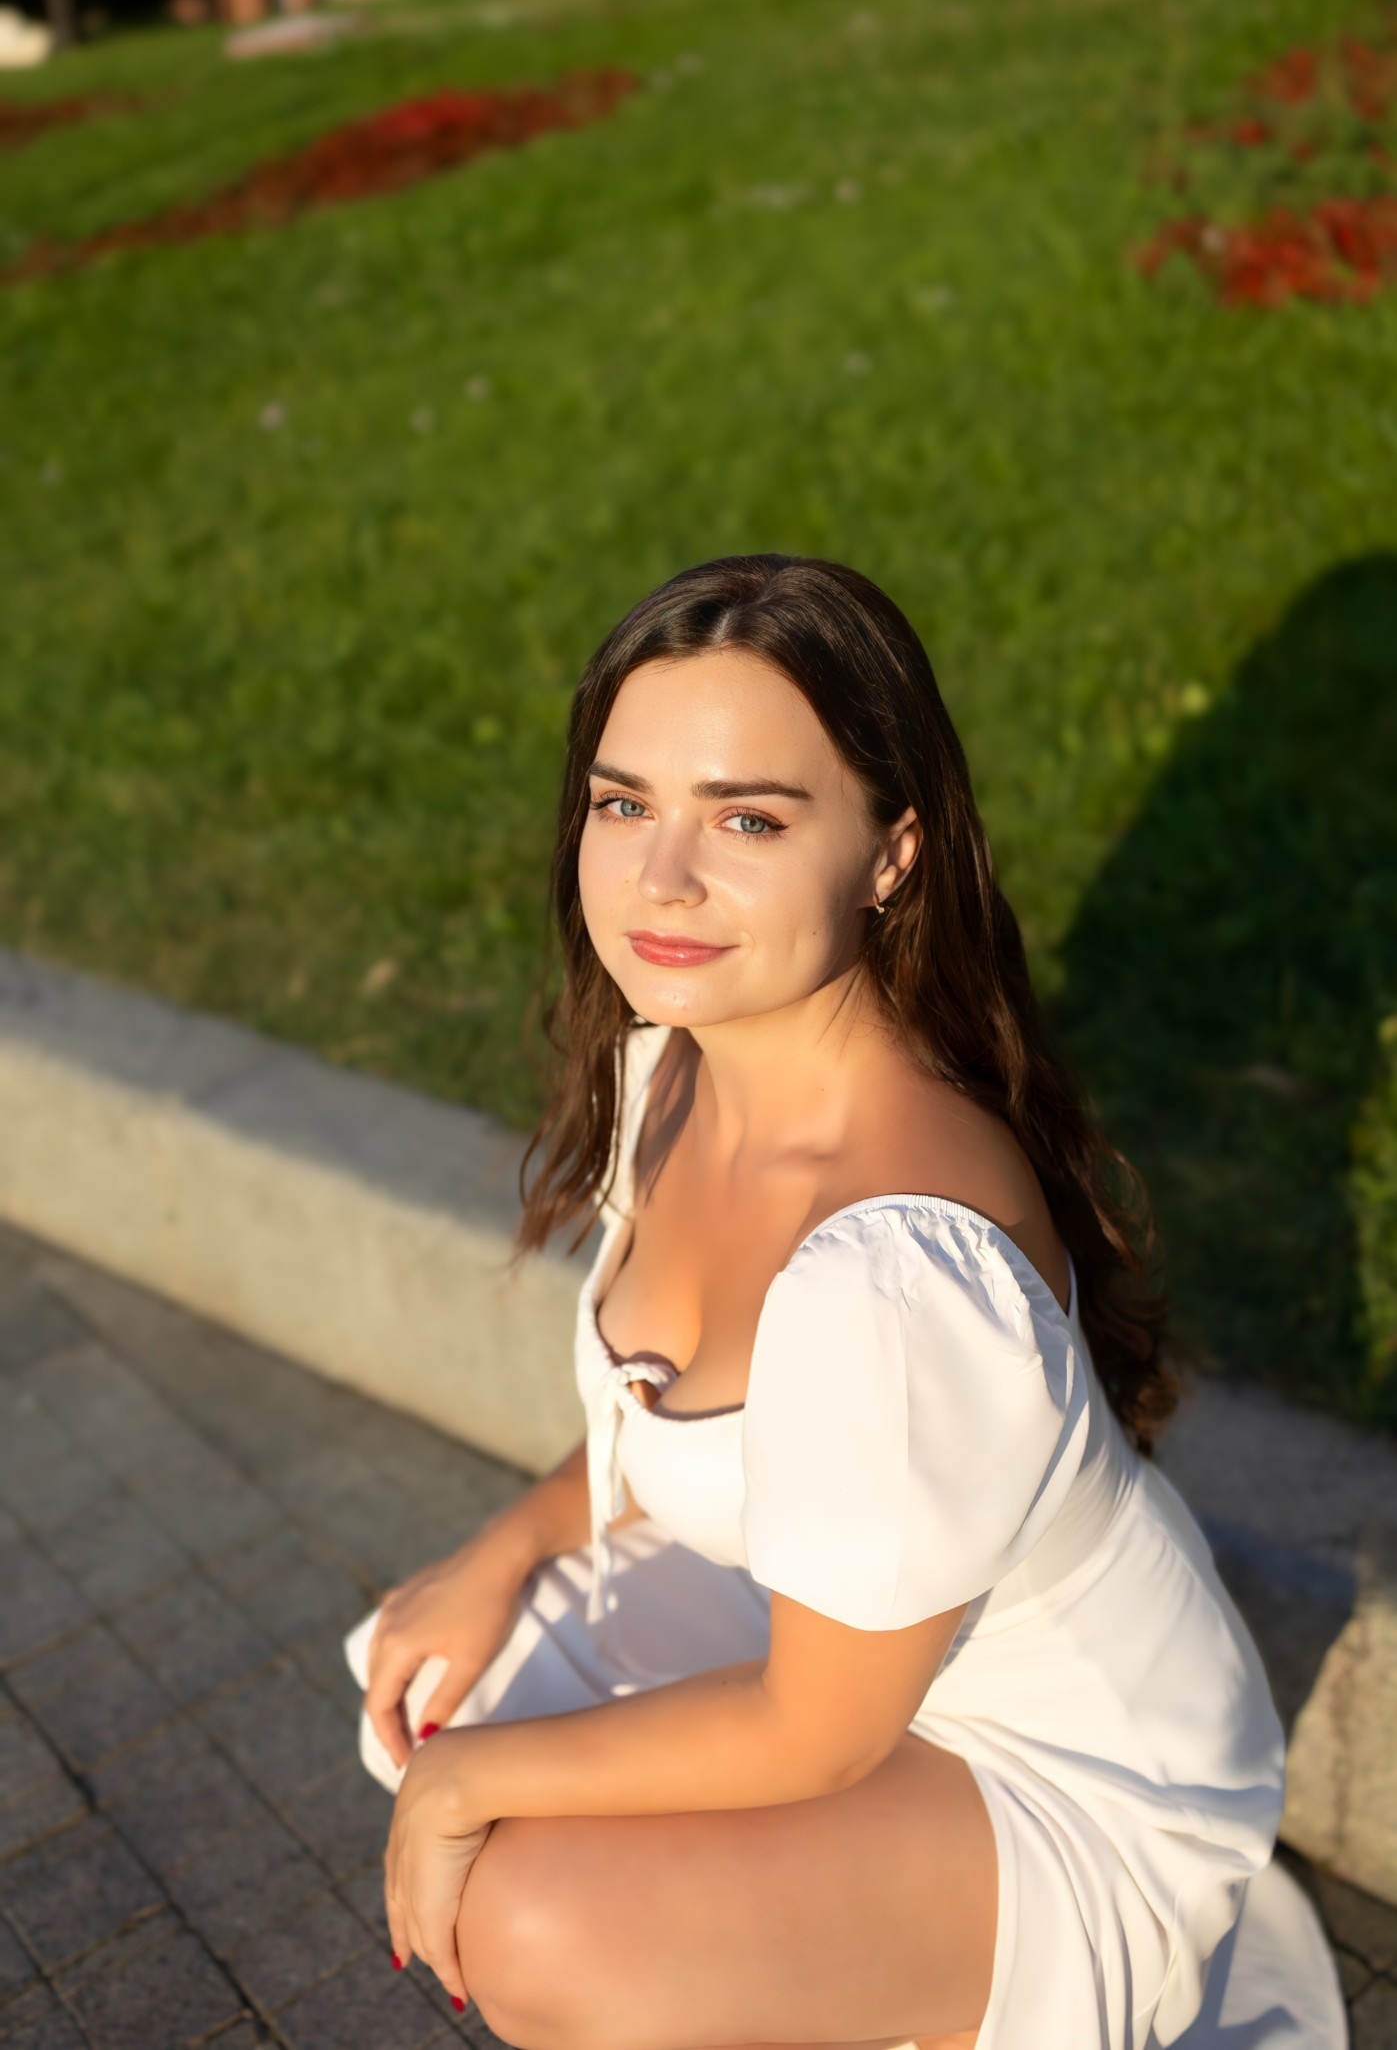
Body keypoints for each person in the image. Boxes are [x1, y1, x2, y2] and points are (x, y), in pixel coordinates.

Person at [344, 555, 1345, 2050]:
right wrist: (509, 1545)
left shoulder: (894, 1266)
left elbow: (816, 1731)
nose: (660, 879)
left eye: (746, 819)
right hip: (837, 1639)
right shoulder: (672, 1065)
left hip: (1050, 1765)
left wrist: (463, 1787)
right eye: (623, 803)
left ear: (892, 854)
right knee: (429, 1672)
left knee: (529, 1909)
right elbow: (675, 1432)